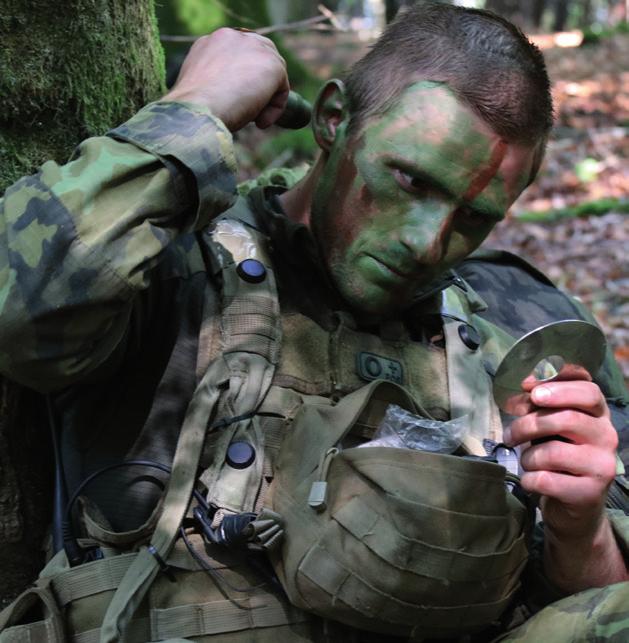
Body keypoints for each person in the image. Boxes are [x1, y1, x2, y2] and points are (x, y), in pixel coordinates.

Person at [0, 3, 627, 641]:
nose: (426, 243)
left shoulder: (522, 325)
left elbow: (602, 610)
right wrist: (198, 109)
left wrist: (583, 528)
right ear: (334, 121)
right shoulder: (163, 262)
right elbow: (17, 313)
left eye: (473, 216)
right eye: (409, 180)